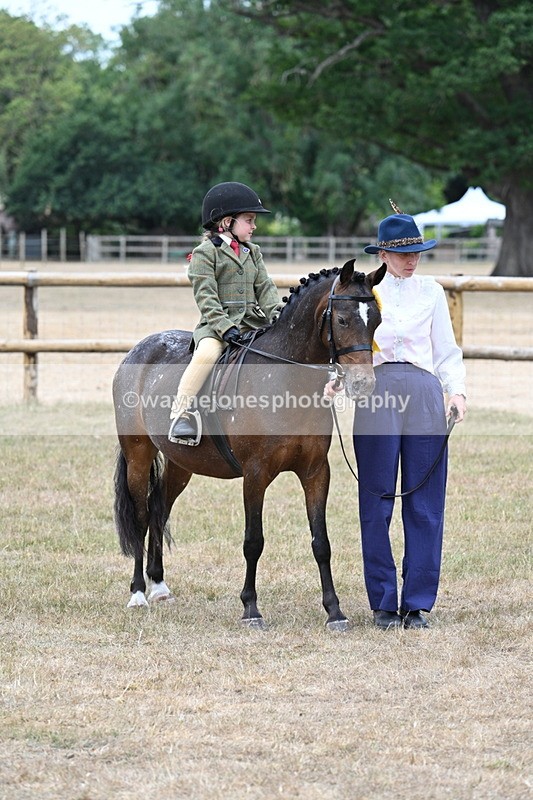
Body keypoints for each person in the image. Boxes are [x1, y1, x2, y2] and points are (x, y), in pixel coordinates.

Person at [352, 206, 466, 630]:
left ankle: (417, 602)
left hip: (422, 393)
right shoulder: (361, 291)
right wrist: (337, 381)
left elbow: (446, 350)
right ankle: (382, 601)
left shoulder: (432, 292)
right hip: (376, 392)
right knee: (376, 500)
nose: (412, 260)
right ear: (383, 254)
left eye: (417, 252)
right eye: (403, 253)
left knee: (425, 502)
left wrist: (456, 391)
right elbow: (348, 345)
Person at [168, 181, 280, 443]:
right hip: (217, 327)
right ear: (227, 222)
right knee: (207, 354)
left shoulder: (254, 252)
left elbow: (265, 288)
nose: (254, 226)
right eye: (249, 220)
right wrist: (225, 327)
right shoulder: (204, 254)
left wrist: (277, 316)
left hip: (251, 324)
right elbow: (206, 297)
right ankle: (181, 414)